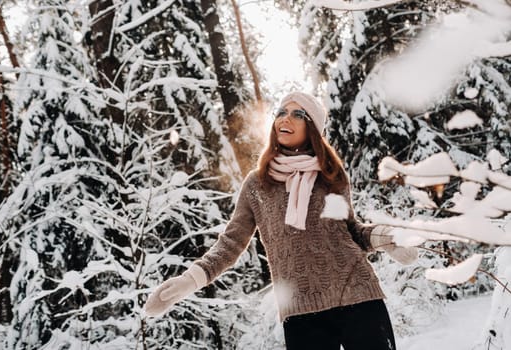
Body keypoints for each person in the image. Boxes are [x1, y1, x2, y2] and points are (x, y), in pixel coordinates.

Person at [144, 91, 418, 350]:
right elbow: (231, 243)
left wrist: (387, 238)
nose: (285, 118)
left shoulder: (330, 175)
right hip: (300, 312)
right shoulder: (257, 184)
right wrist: (188, 281)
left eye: (298, 114)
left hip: (359, 295)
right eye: (281, 112)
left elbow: (351, 231)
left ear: (313, 128)